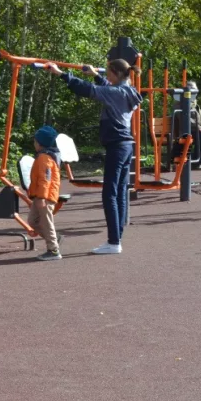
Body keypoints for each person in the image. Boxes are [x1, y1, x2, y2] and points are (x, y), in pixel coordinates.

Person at [48, 59, 142, 255]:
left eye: (108, 73)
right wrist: (97, 75)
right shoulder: (129, 90)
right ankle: (116, 239)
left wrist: (60, 73)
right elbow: (109, 87)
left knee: (109, 193)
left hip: (117, 147)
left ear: (116, 73)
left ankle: (114, 242)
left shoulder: (114, 92)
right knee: (119, 192)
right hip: (126, 146)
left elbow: (85, 89)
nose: (107, 76)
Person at [29, 125, 62, 261]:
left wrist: (42, 197)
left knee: (46, 222)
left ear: (40, 143)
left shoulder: (45, 158)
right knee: (33, 221)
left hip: (45, 196)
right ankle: (54, 239)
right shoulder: (43, 156)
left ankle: (53, 250)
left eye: (35, 141)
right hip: (40, 195)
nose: (34, 143)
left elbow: (45, 179)